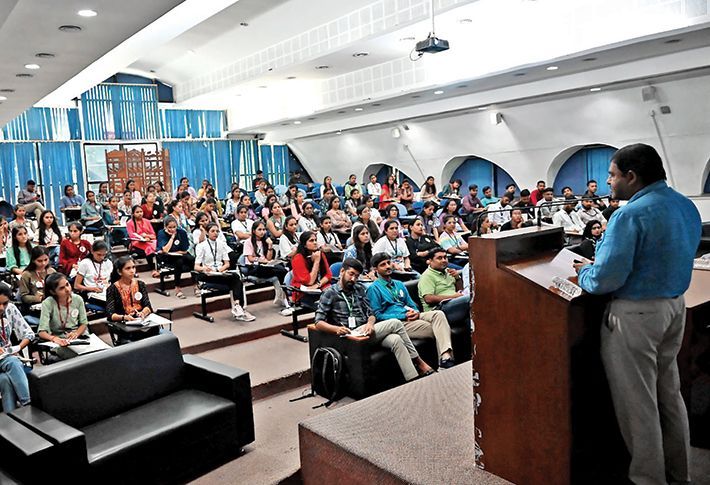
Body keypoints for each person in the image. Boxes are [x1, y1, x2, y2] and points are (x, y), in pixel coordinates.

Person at [574, 143, 701, 485]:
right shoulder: (685, 205)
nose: (609, 181)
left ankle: (648, 478)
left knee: (639, 403)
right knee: (669, 395)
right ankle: (679, 473)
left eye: (613, 175)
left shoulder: (628, 214)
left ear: (631, 176)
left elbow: (606, 278)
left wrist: (582, 273)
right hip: (674, 307)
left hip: (636, 315)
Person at [314, 258, 434, 382]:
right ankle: (419, 362)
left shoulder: (359, 288)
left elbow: (371, 313)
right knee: (396, 323)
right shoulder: (329, 293)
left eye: (356, 276)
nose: (353, 279)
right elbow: (318, 322)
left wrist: (370, 323)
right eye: (351, 274)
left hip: (366, 331)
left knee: (396, 339)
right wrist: (336, 329)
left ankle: (413, 379)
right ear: (342, 271)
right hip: (349, 336)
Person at [367, 253, 455, 369]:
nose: (388, 266)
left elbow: (412, 304)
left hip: (412, 316)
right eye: (383, 265)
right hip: (398, 322)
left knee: (438, 314)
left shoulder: (399, 284)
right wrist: (403, 315)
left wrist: (414, 311)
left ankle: (445, 357)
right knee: (440, 328)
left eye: (389, 263)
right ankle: (446, 363)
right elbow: (378, 315)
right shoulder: (373, 288)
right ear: (375, 269)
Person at [37, 273, 104, 361]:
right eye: (61, 288)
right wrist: (54, 338)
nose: (67, 289)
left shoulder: (78, 299)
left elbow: (84, 323)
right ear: (53, 292)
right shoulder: (48, 303)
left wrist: (76, 333)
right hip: (60, 340)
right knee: (80, 359)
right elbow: (42, 332)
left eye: (67, 284)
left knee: (101, 353)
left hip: (79, 337)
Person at [195, 223, 254, 321]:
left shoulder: (221, 244)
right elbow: (196, 267)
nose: (215, 233)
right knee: (236, 279)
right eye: (212, 231)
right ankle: (239, 308)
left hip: (219, 272)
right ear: (207, 233)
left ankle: (238, 307)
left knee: (236, 282)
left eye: (217, 231)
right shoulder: (201, 246)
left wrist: (218, 270)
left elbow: (227, 264)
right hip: (207, 273)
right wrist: (204, 269)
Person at [106, 256, 164, 343]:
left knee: (155, 330)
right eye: (128, 268)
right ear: (119, 271)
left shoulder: (140, 284)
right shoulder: (112, 289)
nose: (132, 270)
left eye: (133, 267)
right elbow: (110, 315)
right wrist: (125, 317)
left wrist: (143, 313)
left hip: (141, 320)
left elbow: (148, 306)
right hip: (125, 322)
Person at [242, 220, 291, 315]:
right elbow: (250, 259)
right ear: (253, 231)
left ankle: (285, 299)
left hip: (266, 267)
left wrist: (270, 246)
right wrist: (261, 260)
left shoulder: (266, 241)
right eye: (259, 229)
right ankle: (286, 300)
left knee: (280, 268)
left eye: (264, 229)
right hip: (253, 268)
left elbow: (268, 258)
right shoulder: (248, 242)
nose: (262, 232)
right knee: (281, 270)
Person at [0, 283, 34, 412]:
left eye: (5, 303)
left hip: (7, 356)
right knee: (13, 362)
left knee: (4, 380)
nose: (2, 308)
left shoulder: (11, 309)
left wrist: (18, 348)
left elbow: (29, 333)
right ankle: (29, 405)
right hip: (9, 361)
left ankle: (12, 418)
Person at [417, 247, 465, 315]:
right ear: (430, 261)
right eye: (439, 258)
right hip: (438, 310)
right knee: (469, 299)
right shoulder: (427, 276)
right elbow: (428, 299)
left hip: (454, 304)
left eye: (445, 257)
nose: (444, 260)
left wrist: (457, 278)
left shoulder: (449, 271)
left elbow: (460, 290)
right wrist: (453, 297)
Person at [156, 216, 195, 299]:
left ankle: (196, 284)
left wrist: (176, 252)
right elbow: (165, 250)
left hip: (180, 254)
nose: (172, 229)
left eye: (174, 227)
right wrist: (172, 237)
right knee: (179, 262)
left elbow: (184, 250)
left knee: (191, 259)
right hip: (167, 257)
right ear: (165, 227)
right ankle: (177, 287)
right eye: (169, 227)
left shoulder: (182, 233)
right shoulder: (161, 233)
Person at [290, 231, 332, 306]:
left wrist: (318, 285)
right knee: (326, 305)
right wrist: (316, 262)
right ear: (304, 245)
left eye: (315, 240)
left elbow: (328, 275)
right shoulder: (298, 258)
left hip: (319, 287)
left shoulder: (320, 254)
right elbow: (309, 282)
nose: (315, 242)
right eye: (311, 241)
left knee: (336, 298)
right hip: (304, 293)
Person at [74, 240, 112, 305]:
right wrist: (92, 289)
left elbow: (110, 281)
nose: (102, 257)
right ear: (92, 251)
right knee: (111, 304)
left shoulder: (108, 262)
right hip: (93, 293)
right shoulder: (85, 263)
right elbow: (76, 286)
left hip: (106, 291)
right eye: (99, 254)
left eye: (104, 255)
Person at [126, 205, 159, 278]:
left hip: (149, 241)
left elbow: (153, 235)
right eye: (137, 212)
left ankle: (160, 268)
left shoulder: (147, 221)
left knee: (158, 245)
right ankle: (153, 269)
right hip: (137, 242)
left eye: (141, 212)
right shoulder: (130, 223)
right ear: (133, 214)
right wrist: (142, 237)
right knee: (149, 248)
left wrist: (147, 237)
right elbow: (132, 236)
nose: (140, 213)